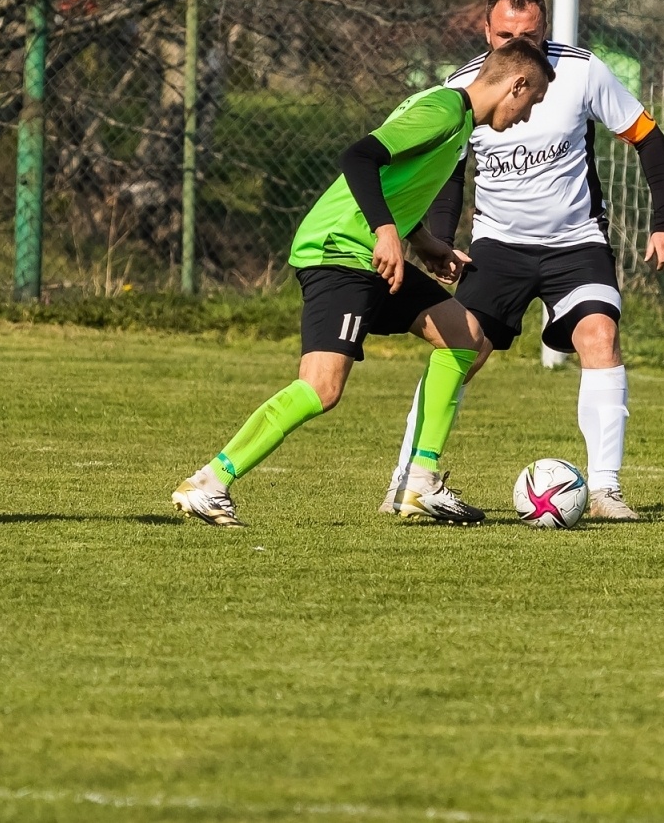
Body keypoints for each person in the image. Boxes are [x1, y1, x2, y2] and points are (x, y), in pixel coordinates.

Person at [170, 39, 554, 528]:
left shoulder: (454, 121)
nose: (527, 115)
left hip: (369, 253)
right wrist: (386, 232)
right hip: (341, 252)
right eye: (532, 101)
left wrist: (424, 241)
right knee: (321, 388)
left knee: (466, 338)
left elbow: (395, 181)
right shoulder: (441, 109)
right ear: (516, 84)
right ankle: (209, 482)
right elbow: (360, 158)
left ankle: (419, 483)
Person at [382, 0, 664, 521]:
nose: (519, 45)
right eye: (505, 35)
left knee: (600, 335)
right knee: (459, 354)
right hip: (496, 247)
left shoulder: (582, 70)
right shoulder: (461, 88)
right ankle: (408, 477)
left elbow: (647, 136)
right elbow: (450, 174)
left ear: (544, 31)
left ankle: (606, 492)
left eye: (531, 35)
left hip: (576, 244)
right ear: (487, 32)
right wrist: (442, 242)